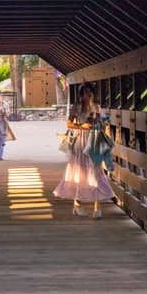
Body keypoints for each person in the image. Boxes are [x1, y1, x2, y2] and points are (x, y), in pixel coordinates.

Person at [53, 85, 114, 218]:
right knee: (79, 173)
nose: (88, 95)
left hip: (94, 141)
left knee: (96, 172)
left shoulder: (97, 107)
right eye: (85, 93)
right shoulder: (77, 107)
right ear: (81, 95)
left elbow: (106, 122)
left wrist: (103, 122)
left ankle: (97, 208)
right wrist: (81, 125)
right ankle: (77, 204)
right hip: (80, 140)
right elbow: (69, 124)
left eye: (90, 92)